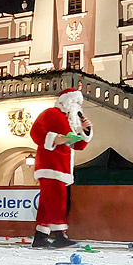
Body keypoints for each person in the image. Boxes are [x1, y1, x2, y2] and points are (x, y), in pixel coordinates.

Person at [29, 87, 93, 248]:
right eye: (75, 101)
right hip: (50, 164)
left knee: (46, 202)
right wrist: (55, 139)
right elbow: (35, 132)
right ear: (66, 101)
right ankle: (59, 234)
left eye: (79, 103)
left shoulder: (70, 121)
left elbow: (78, 145)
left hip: (62, 166)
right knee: (58, 198)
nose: (77, 105)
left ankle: (40, 236)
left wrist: (85, 131)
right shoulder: (50, 113)